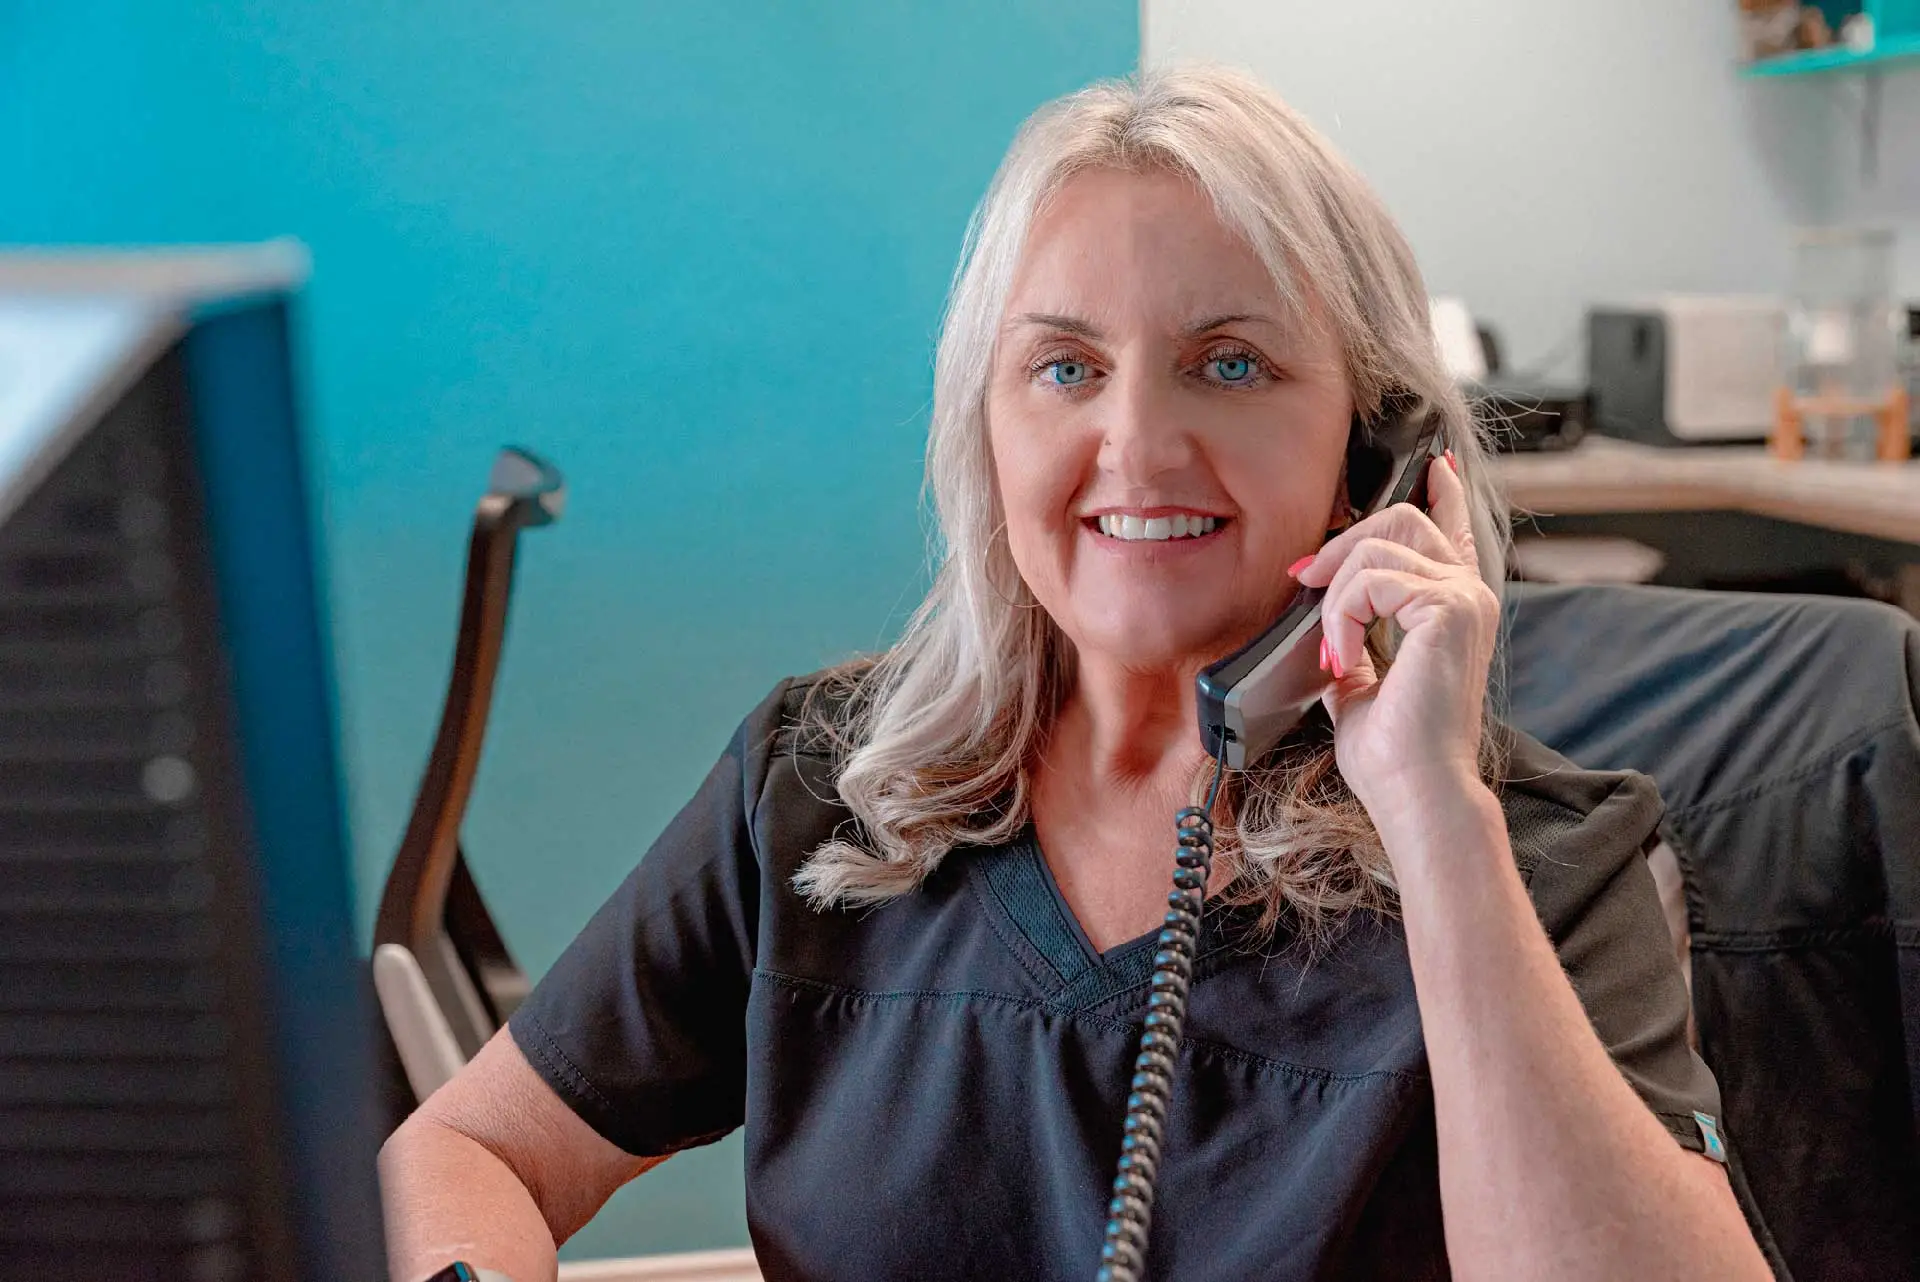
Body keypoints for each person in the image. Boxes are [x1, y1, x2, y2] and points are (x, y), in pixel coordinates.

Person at [379, 65, 1775, 1281]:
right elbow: (475, 1144)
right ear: (981, 419)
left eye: (1229, 363)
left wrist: (1433, 815)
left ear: (1378, 449)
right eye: (1064, 368)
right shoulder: (823, 782)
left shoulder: (1532, 862)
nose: (1136, 444)